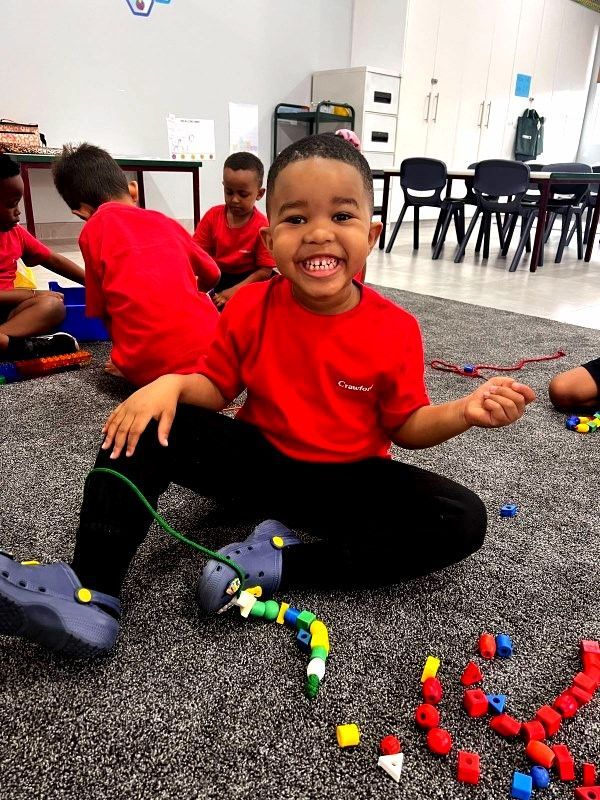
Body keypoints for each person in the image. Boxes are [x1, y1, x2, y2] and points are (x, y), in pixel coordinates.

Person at [0, 134, 536, 657]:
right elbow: (214, 389)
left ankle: (280, 563)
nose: (318, 234)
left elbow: (408, 427)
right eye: (296, 219)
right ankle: (90, 591)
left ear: (371, 235)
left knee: (462, 517)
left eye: (342, 217)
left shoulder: (395, 328)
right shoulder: (250, 305)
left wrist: (463, 411)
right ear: (270, 235)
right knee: (141, 422)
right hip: (259, 466)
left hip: (347, 481)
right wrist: (167, 384)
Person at [51, 143, 221, 386]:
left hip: (148, 372)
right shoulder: (166, 221)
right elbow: (213, 273)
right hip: (213, 354)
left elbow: (102, 310)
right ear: (133, 190)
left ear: (82, 212)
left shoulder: (91, 232)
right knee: (201, 306)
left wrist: (124, 360)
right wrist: (194, 293)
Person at [0, 153, 85, 360]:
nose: (18, 213)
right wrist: (32, 294)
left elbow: (52, 259)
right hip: (14, 302)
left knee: (53, 306)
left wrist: (94, 283)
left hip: (9, 316)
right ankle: (17, 346)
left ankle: (8, 343)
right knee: (44, 298)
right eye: (11, 205)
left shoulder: (14, 233)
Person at [193, 152, 275, 310]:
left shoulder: (262, 225)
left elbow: (265, 271)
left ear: (259, 194)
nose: (234, 199)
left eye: (243, 194)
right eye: (229, 192)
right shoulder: (212, 216)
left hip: (248, 280)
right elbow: (198, 255)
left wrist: (234, 291)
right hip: (216, 276)